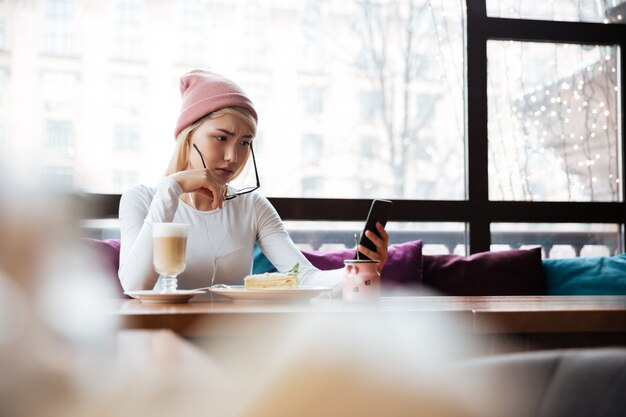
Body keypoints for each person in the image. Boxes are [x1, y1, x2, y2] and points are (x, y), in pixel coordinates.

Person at [118, 70, 389, 292]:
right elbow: (134, 286)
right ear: (188, 138)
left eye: (244, 143)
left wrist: (362, 268)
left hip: (234, 342)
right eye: (221, 138)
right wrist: (171, 189)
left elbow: (305, 277)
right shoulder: (141, 201)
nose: (232, 156)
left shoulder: (252, 207)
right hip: (163, 339)